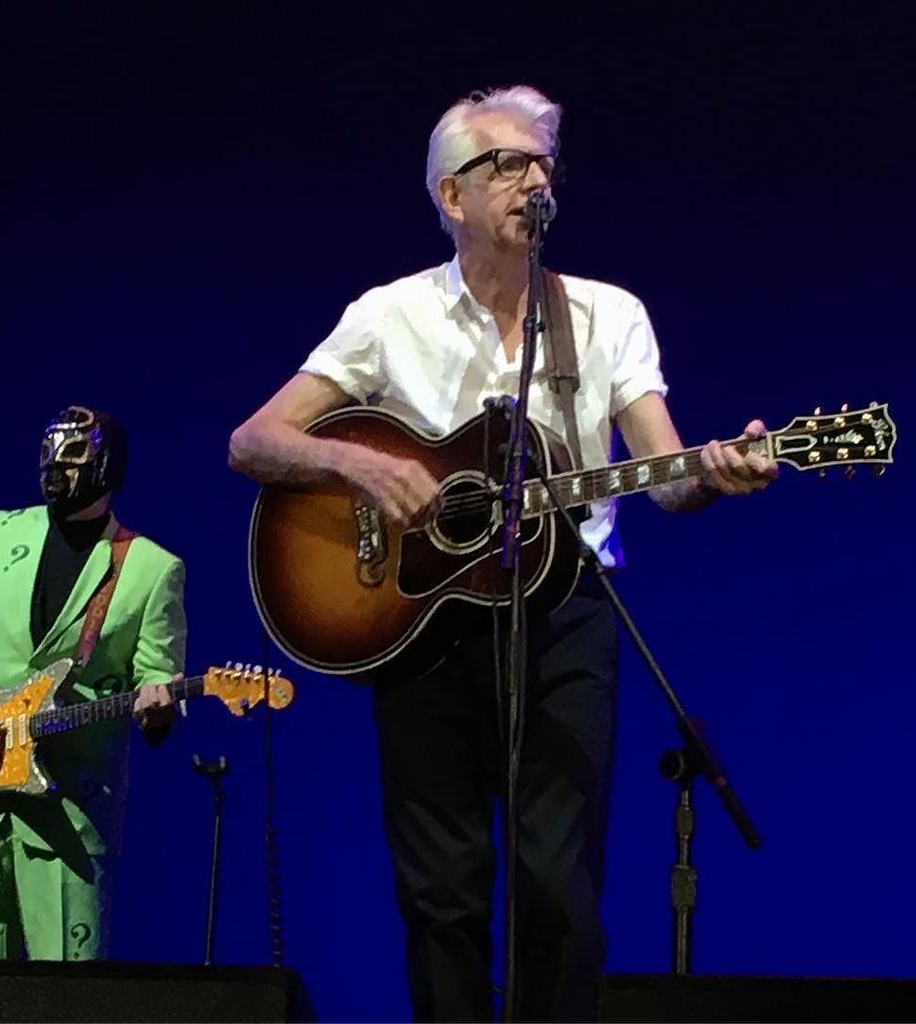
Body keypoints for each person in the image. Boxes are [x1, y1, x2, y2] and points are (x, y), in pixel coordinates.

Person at [228, 85, 776, 1021]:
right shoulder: (387, 316)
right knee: (442, 895)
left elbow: (663, 473)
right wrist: (356, 464)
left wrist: (715, 473)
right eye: (508, 165)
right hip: (423, 629)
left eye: (543, 165)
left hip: (565, 620)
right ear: (451, 195)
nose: (534, 180)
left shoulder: (606, 315)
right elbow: (254, 442)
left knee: (556, 887)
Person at [0, 404, 187, 961]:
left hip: (69, 827)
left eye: (75, 452)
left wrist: (160, 705)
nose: (57, 463)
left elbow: (158, 677)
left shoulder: (152, 569)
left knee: (66, 1007)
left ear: (107, 464)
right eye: (51, 449)